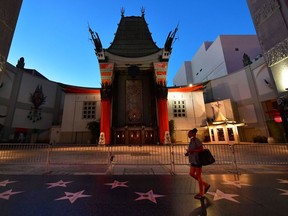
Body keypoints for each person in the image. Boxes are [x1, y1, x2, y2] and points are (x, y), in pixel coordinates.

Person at [185, 128, 210, 199]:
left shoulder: (197, 140)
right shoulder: (191, 141)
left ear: (193, 134)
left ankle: (201, 194)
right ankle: (206, 184)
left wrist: (193, 151)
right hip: (193, 160)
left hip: (197, 160)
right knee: (191, 174)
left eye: (189, 133)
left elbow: (201, 149)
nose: (188, 134)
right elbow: (192, 150)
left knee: (198, 176)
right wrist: (188, 153)